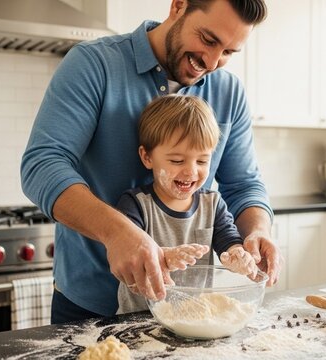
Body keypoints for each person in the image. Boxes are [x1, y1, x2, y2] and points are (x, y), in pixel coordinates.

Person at [21, 0, 281, 323]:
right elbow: (42, 165)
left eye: (228, 52)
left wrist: (258, 230)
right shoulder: (94, 65)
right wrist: (117, 233)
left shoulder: (229, 93)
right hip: (90, 306)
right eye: (209, 40)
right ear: (179, 5)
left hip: (188, 311)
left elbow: (243, 185)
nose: (213, 62)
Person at [116, 94, 259, 314]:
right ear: (147, 157)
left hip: (193, 319)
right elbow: (129, 254)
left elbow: (228, 239)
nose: (191, 171)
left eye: (202, 161)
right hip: (139, 320)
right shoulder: (135, 205)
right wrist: (165, 258)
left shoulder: (212, 203)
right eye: (177, 161)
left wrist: (237, 254)